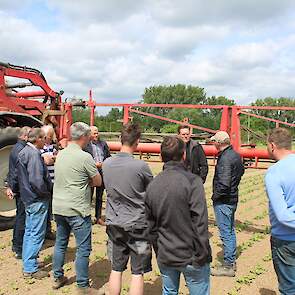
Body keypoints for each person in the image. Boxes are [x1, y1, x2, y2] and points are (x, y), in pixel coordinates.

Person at [145, 136, 211, 295]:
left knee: (169, 291)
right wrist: (202, 254)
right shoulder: (193, 181)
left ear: (161, 156)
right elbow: (200, 221)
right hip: (192, 255)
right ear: (184, 155)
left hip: (166, 253)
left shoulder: (153, 185)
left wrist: (159, 250)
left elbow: (150, 227)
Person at [102, 123, 153, 295]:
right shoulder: (141, 167)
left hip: (115, 224)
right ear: (137, 142)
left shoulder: (107, 164)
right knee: (137, 272)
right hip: (138, 225)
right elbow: (152, 192)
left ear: (120, 139)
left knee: (116, 268)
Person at [52, 122, 101, 294]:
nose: (89, 138)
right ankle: (82, 286)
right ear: (83, 137)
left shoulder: (60, 154)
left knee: (60, 243)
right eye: (88, 135)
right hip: (77, 209)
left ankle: (57, 277)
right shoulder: (85, 157)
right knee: (83, 248)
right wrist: (86, 182)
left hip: (59, 206)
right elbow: (98, 181)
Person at [16, 128, 53, 279]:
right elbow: (37, 180)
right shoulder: (34, 154)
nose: (45, 141)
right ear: (37, 138)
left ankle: (28, 262)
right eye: (43, 138)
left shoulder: (23, 151)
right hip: (37, 199)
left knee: (30, 231)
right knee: (36, 233)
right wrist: (46, 193)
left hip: (27, 198)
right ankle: (30, 268)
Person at [265, 128, 295, 295]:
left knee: (289, 288)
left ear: (272, 145)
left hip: (285, 241)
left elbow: (282, 215)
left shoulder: (274, 172)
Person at [210, 131, 244, 277]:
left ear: (219, 142)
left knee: (225, 233)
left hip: (224, 201)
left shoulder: (225, 158)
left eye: (214, 142)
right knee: (230, 230)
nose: (213, 144)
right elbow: (241, 172)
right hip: (232, 198)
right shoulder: (235, 155)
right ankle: (231, 260)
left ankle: (228, 265)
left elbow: (223, 184)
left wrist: (215, 197)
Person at [6, 126, 31, 259]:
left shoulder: (15, 148)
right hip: (22, 190)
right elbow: (16, 173)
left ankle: (17, 244)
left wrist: (9, 185)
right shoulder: (21, 150)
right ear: (25, 136)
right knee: (21, 218)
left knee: (20, 217)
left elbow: (11, 170)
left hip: (19, 188)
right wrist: (13, 188)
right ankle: (18, 247)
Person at [85, 125, 111, 225]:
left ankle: (98, 217)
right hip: (90, 172)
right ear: (90, 134)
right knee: (89, 196)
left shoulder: (103, 144)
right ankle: (87, 217)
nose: (97, 134)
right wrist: (93, 164)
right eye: (94, 133)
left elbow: (108, 156)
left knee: (100, 196)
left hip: (102, 172)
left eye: (97, 132)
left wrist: (105, 164)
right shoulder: (86, 145)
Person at [41, 125, 58, 240]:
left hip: (53, 180)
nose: (49, 138)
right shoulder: (39, 148)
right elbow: (46, 161)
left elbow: (56, 158)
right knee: (44, 207)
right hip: (44, 182)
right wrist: (52, 158)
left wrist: (52, 158)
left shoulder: (54, 147)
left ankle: (48, 230)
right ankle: (43, 231)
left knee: (50, 208)